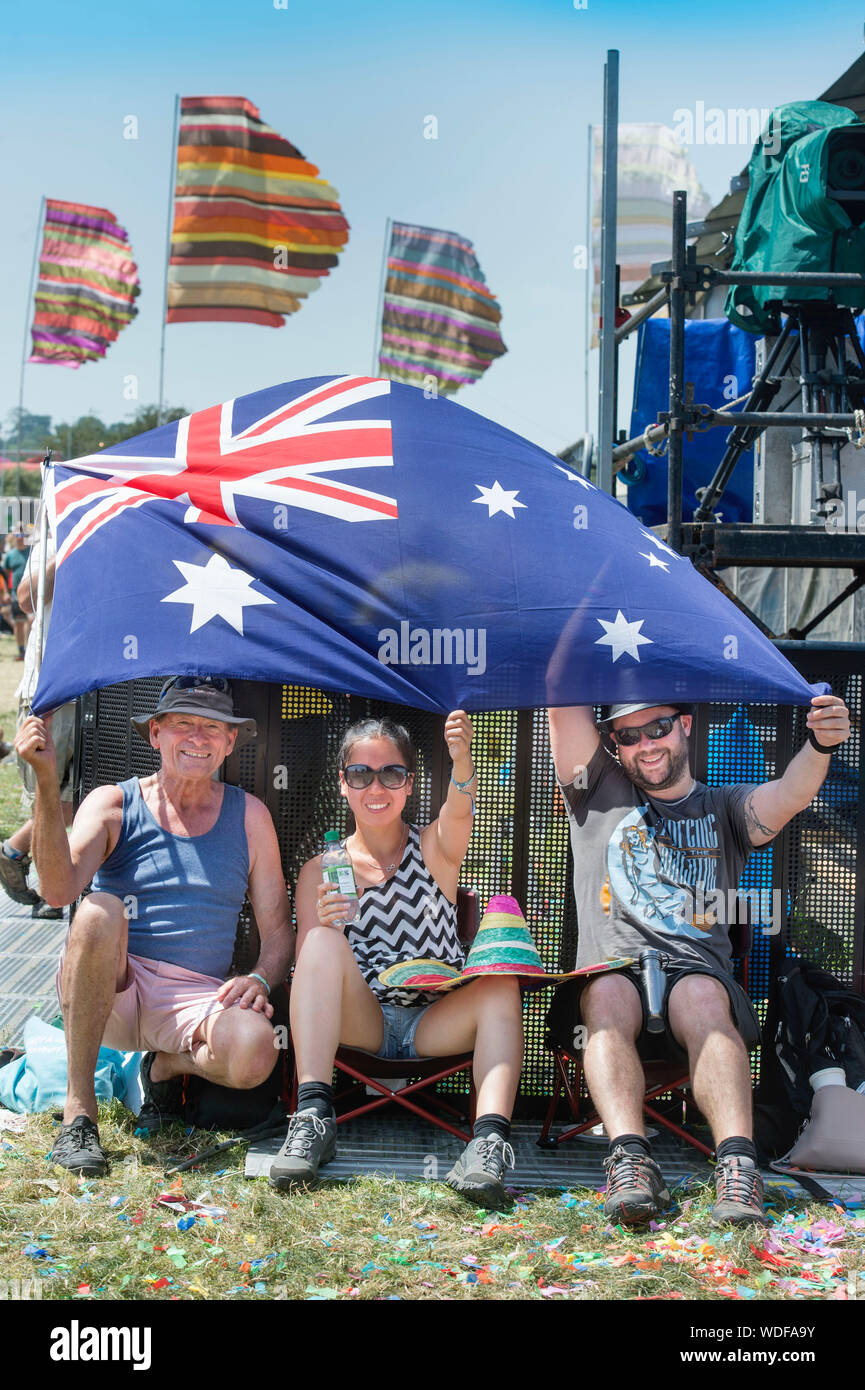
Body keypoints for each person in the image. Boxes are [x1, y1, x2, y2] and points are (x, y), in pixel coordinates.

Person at [547, 694, 851, 1227]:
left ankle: (737, 1166)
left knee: (704, 993)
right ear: (613, 744)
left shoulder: (724, 807)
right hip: (614, 977)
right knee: (607, 991)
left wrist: (821, 743)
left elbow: (790, 794)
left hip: (694, 979)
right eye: (628, 735)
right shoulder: (596, 789)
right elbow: (560, 695)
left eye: (658, 727)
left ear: (684, 725)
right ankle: (630, 1161)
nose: (646, 744)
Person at [15, 675, 294, 1176]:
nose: (197, 737)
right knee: (99, 908)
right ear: (155, 734)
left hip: (194, 1000)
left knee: (257, 1051)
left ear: (230, 742)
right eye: (182, 723)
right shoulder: (112, 803)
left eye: (212, 727)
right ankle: (79, 1115)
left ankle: (165, 1067)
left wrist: (257, 979)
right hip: (113, 984)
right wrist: (45, 781)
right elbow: (57, 891)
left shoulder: (250, 816)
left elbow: (278, 934)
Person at [271, 710, 525, 1208]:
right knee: (320, 944)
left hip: (435, 1018)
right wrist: (327, 925)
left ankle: (488, 1143)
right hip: (363, 1020)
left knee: (500, 981)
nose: (376, 787)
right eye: (361, 774)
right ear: (343, 784)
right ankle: (312, 1120)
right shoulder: (320, 869)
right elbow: (310, 973)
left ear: (409, 784)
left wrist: (462, 759)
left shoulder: (433, 848)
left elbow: (459, 811)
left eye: (391, 773)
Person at [0, 527, 75, 918]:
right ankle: (48, 887)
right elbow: (25, 599)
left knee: (81, 796)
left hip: (96, 690)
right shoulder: (51, 541)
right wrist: (72, 546)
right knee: (49, 794)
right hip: (50, 689)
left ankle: (17, 853)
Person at [2, 533, 30, 659]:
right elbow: (5, 574)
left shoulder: (32, 550)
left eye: (22, 535)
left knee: (31, 621)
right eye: (17, 535)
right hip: (15, 594)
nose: (20, 537)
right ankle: (21, 651)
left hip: (31, 592)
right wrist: (6, 593)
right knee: (19, 623)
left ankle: (31, 650)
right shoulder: (10, 555)